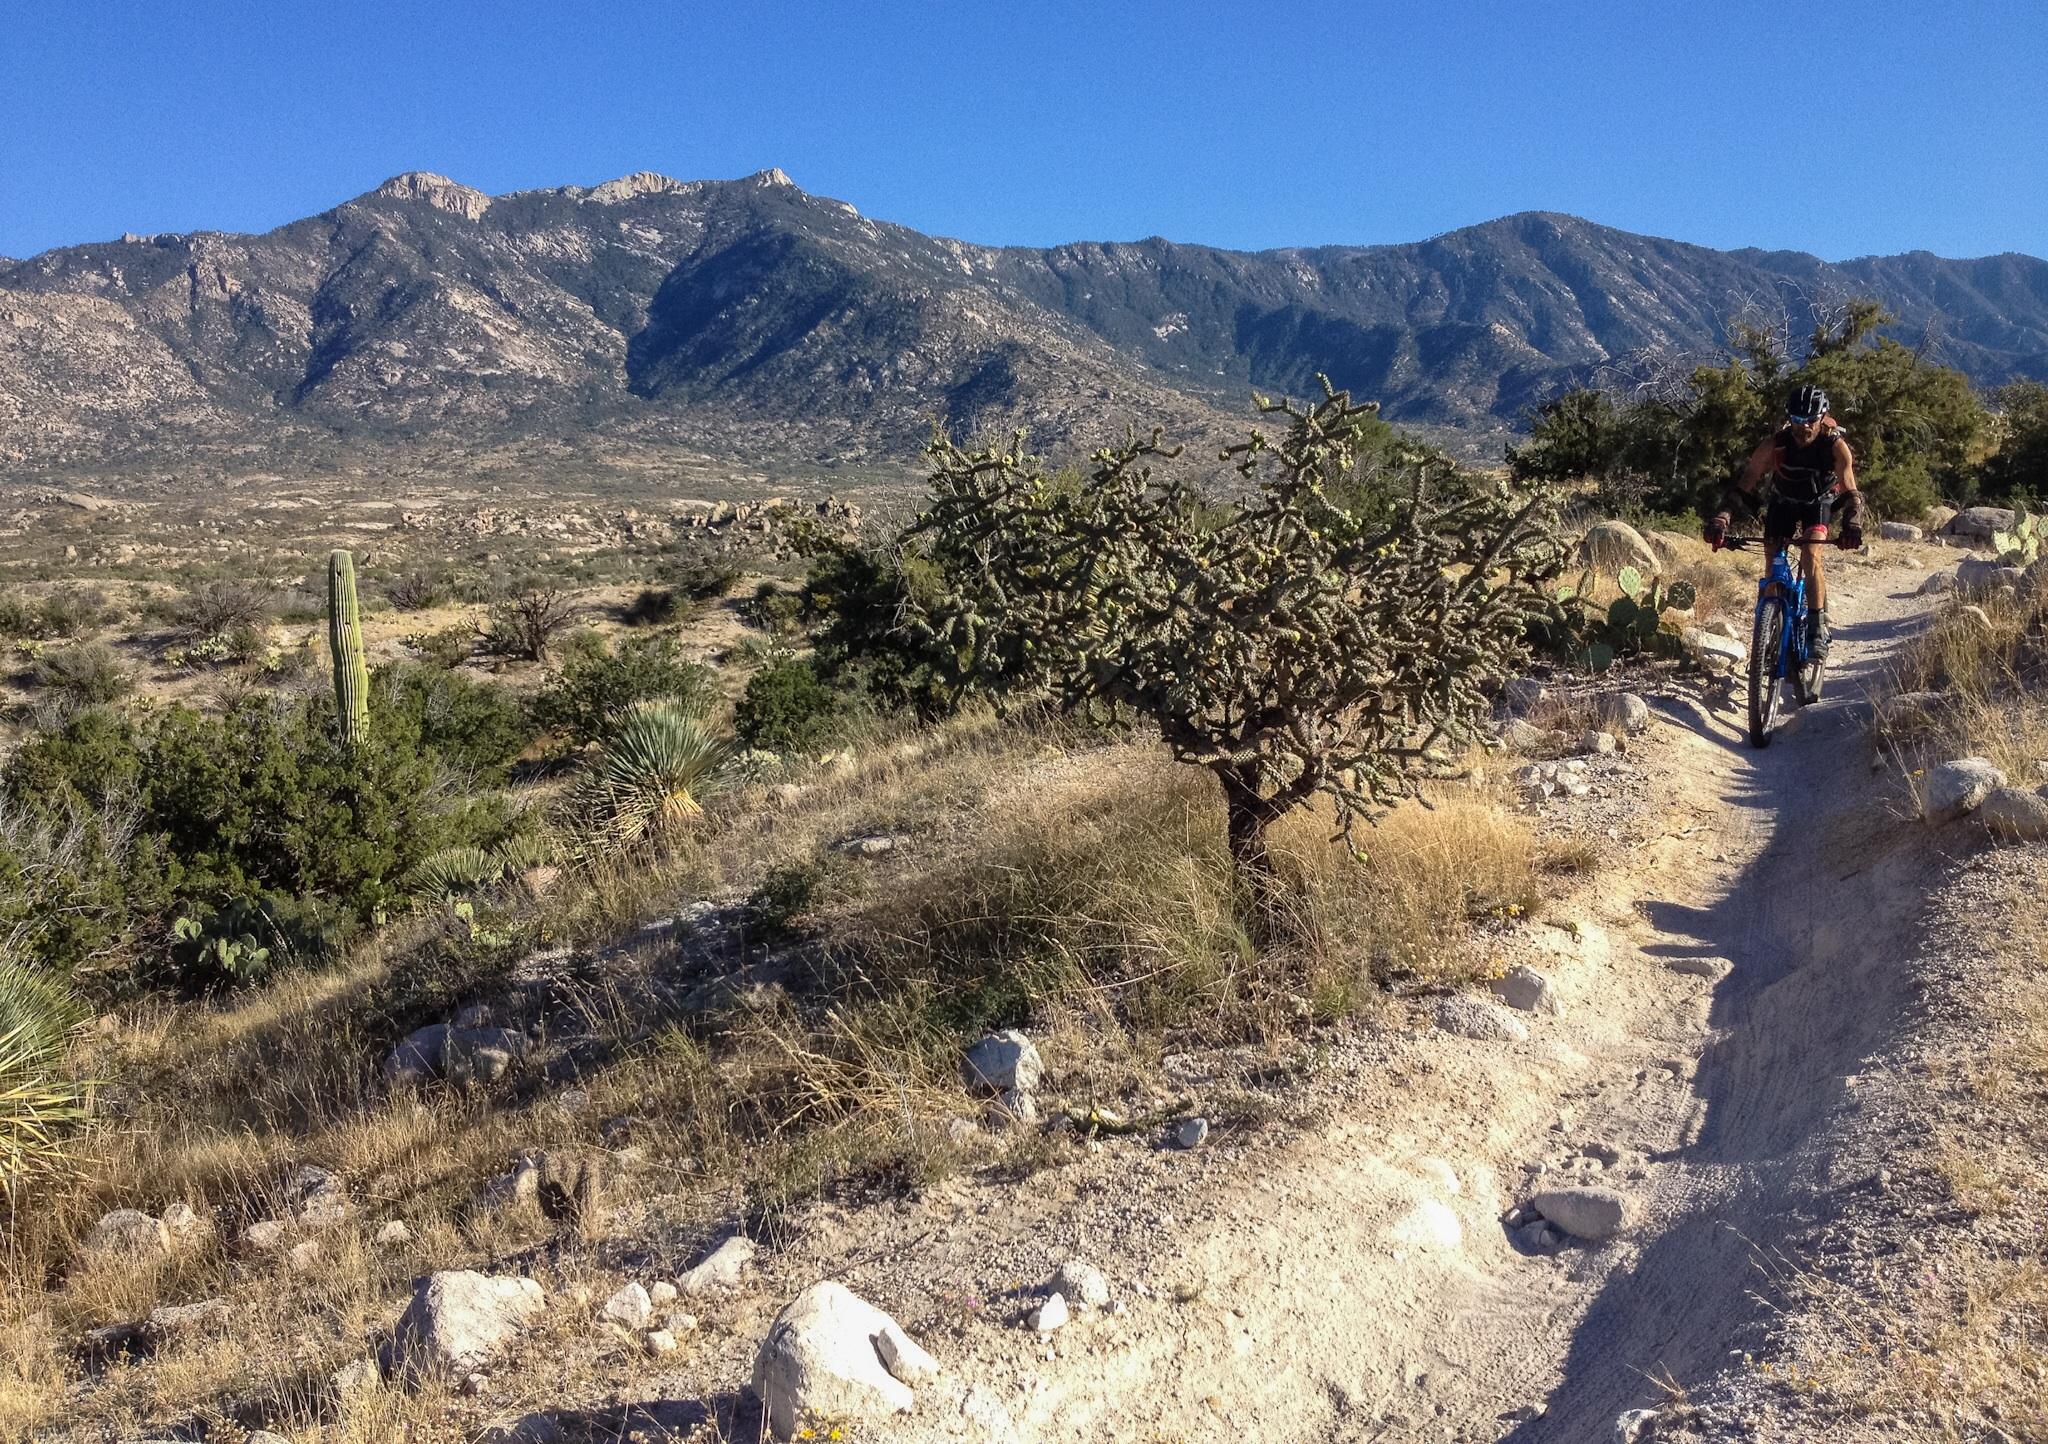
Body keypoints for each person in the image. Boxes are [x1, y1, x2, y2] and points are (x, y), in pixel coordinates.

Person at [1703, 383, 1865, 656]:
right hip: (1783, 501)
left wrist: (1853, 524)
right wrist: (1722, 518)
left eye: (1810, 420)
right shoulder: (1775, 444)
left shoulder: (1835, 446)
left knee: (1810, 554)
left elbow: (1851, 492)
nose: (1804, 427)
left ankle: (1816, 627)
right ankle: (1770, 627)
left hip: (1817, 504)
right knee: (1772, 557)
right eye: (1797, 420)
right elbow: (1746, 483)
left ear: (1823, 418)